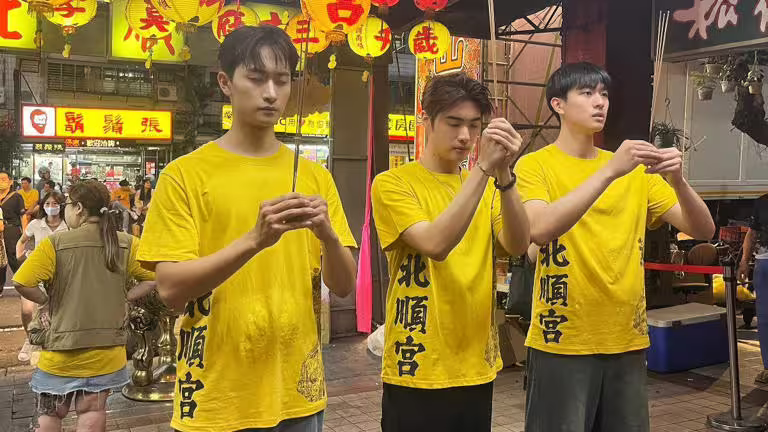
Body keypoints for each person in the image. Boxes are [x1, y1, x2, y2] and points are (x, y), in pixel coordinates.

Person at [137, 26, 357, 432]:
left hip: (298, 394)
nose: (271, 93)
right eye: (256, 78)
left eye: (282, 80)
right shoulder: (184, 176)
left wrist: (327, 234)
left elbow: (343, 286)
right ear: (225, 82)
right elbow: (170, 289)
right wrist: (254, 241)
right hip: (216, 395)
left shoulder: (314, 177)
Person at [514, 62, 715, 432]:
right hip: (562, 338)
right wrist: (608, 172)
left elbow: (702, 229)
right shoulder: (534, 166)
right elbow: (539, 229)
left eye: (604, 94)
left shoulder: (635, 172)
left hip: (626, 336)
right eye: (587, 93)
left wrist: (678, 180)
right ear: (558, 105)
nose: (600, 102)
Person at [371, 72, 530, 432]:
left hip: (475, 363)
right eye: (454, 123)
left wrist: (505, 176)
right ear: (426, 120)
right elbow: (435, 244)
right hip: (417, 362)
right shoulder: (393, 183)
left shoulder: (486, 185)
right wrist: (485, 169)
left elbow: (519, 244)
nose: (465, 136)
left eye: (474, 126)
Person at [12, 180, 155, 432]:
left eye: (67, 205)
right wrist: (126, 298)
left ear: (78, 208)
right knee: (92, 411)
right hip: (107, 352)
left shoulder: (55, 244)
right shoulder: (127, 243)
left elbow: (22, 282)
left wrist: (46, 301)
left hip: (61, 352)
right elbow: (154, 278)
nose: (64, 210)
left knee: (51, 414)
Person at [16, 191, 68, 364]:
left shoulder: (68, 225)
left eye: (55, 204)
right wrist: (21, 257)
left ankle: (51, 343)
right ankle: (30, 339)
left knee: (55, 312)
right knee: (27, 310)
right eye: (47, 204)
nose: (51, 207)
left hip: (60, 275)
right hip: (37, 272)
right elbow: (21, 241)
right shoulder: (36, 224)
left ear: (61, 206)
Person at [739, 193, 768, 383]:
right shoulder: (762, 202)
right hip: (764, 263)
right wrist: (744, 261)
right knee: (764, 318)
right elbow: (752, 233)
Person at [0, 171, 26, 289]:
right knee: (0, 260)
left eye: (3, 179)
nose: (1, 182)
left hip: (11, 229)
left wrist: (25, 233)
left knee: (13, 258)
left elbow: (23, 216)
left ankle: (23, 284)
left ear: (10, 182)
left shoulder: (16, 196)